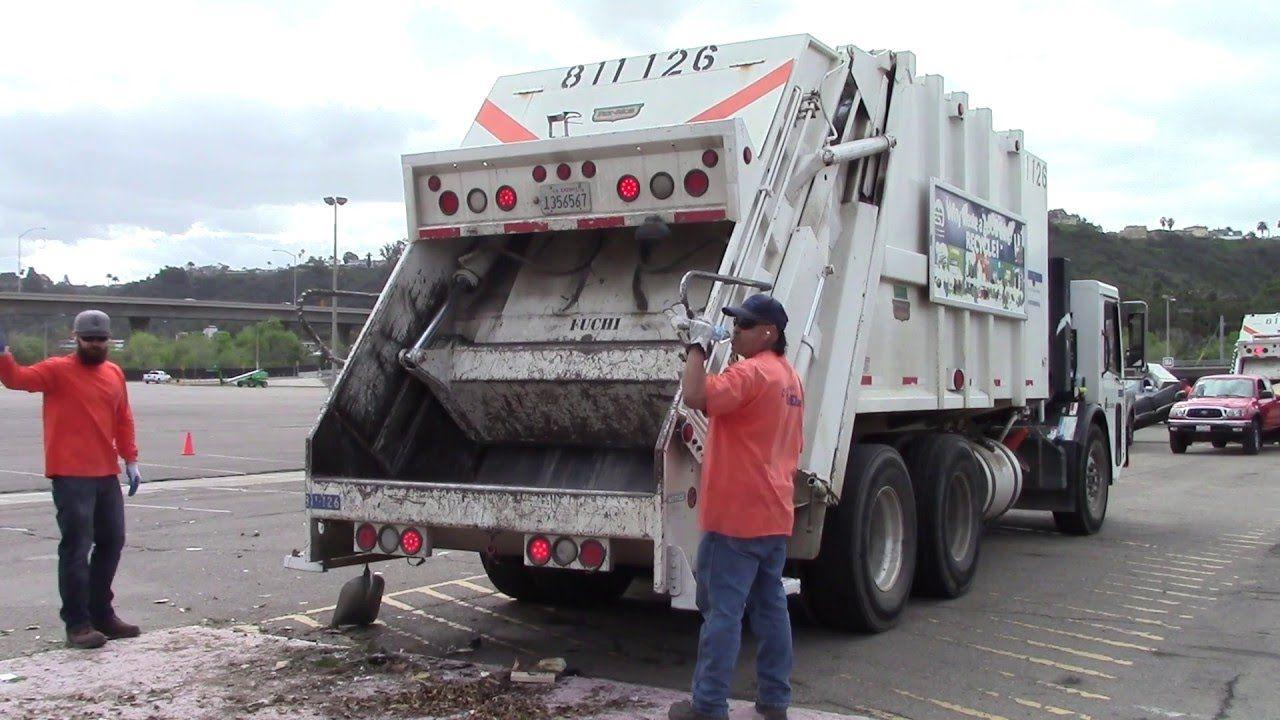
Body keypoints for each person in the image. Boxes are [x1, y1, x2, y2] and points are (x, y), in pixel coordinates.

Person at [667, 294, 804, 720]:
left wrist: (698, 346)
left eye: (744, 325)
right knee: (770, 608)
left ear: (769, 333)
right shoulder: (789, 379)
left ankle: (708, 705)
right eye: (735, 323)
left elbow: (693, 394)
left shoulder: (751, 373)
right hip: (773, 512)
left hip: (735, 517)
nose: (737, 331)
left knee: (722, 613)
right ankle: (775, 701)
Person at [0, 311, 143, 649]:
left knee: (112, 542)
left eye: (101, 340)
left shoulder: (114, 373)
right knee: (76, 548)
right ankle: (77, 624)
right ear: (76, 338)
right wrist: (3, 355)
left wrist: (131, 459)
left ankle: (101, 615)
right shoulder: (56, 370)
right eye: (89, 340)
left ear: (109, 340)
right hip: (70, 474)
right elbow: (16, 379)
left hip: (105, 473)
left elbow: (123, 418)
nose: (95, 345)